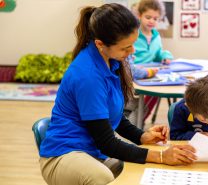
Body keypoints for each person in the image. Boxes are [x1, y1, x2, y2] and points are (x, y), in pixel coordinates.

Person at [39, 3, 197, 185]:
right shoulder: (88, 75)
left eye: (133, 44)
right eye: (125, 47)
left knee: (141, 170)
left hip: (94, 153)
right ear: (100, 44)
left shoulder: (110, 61)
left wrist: (141, 136)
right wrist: (160, 155)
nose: (132, 51)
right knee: (103, 177)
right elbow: (106, 142)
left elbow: (113, 117)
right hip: (64, 156)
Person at [134, 0, 174, 121]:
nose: (152, 21)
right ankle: (134, 117)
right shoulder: (133, 33)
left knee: (157, 90)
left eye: (155, 18)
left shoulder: (156, 35)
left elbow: (157, 54)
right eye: (148, 17)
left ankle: (141, 118)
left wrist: (165, 56)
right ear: (139, 16)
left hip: (150, 72)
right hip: (134, 71)